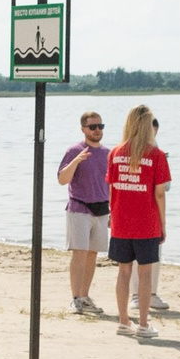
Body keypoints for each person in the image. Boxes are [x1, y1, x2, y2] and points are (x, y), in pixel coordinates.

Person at [106, 104, 169, 338]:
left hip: (121, 221)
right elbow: (159, 193)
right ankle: (143, 324)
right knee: (145, 273)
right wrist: (163, 224)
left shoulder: (116, 152)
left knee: (123, 272)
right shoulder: (156, 155)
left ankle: (123, 321)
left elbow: (111, 189)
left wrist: (113, 215)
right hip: (146, 222)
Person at [56, 110, 110, 313]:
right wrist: (77, 160)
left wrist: (113, 211)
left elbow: (111, 184)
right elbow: (62, 179)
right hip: (79, 208)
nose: (97, 130)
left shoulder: (107, 153)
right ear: (83, 129)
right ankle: (76, 297)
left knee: (92, 254)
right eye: (93, 127)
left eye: (100, 126)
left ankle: (85, 295)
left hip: (101, 209)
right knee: (79, 253)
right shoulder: (74, 150)